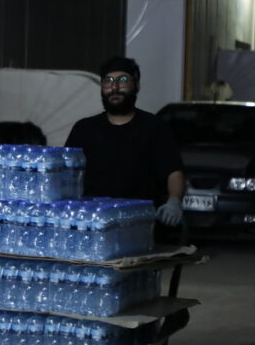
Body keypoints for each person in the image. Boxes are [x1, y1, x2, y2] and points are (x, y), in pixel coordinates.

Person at [65, 55, 185, 232]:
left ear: (137, 85)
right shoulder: (83, 129)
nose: (114, 87)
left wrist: (174, 201)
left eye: (123, 80)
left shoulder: (155, 127)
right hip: (92, 225)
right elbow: (65, 172)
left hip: (140, 225)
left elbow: (173, 172)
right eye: (108, 81)